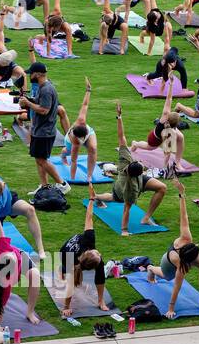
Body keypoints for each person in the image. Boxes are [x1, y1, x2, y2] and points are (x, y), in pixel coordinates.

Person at [93, 102, 169, 235]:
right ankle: (96, 197)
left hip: (139, 180)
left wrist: (119, 117)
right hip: (121, 189)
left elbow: (121, 137)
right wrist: (124, 230)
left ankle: (146, 218)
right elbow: (126, 210)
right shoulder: (131, 190)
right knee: (113, 198)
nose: (140, 162)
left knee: (162, 188)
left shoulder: (126, 159)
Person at [0, 118, 45, 258]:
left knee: (30, 209)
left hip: (9, 201)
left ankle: (41, 250)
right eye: (3, 184)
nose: (4, 182)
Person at [146, 180, 199, 319]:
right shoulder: (179, 263)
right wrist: (171, 308)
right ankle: (151, 269)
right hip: (169, 262)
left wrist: (182, 194)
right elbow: (177, 285)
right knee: (166, 277)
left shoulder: (186, 238)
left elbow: (184, 217)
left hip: (186, 254)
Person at [59, 186, 109, 318]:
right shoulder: (71, 260)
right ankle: (62, 269)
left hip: (78, 253)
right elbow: (70, 287)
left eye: (97, 253)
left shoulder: (89, 239)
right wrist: (66, 307)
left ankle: (100, 300)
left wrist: (91, 200)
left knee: (101, 266)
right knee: (70, 278)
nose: (100, 253)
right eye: (98, 254)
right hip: (65, 254)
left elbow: (89, 218)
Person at [18, 61, 66, 194]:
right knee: (39, 159)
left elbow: (44, 110)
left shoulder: (46, 89)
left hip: (44, 131)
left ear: (38, 74)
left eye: (32, 73)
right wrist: (29, 101)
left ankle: (62, 183)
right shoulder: (44, 86)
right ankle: (44, 185)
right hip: (41, 129)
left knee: (41, 159)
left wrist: (28, 103)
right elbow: (41, 103)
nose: (30, 76)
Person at [56, 77, 97, 184]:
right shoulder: (75, 141)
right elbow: (74, 161)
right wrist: (73, 179)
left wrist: (88, 90)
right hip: (70, 142)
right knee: (67, 152)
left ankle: (89, 176)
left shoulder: (81, 120)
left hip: (88, 133)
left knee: (93, 149)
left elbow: (85, 105)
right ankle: (63, 155)